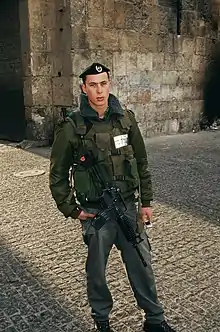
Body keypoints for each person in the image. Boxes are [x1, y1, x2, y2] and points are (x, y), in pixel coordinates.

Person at [49, 63, 176, 332]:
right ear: (83, 88)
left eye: (103, 83)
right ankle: (102, 322)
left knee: (142, 265)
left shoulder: (125, 119)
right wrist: (72, 209)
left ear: (110, 84)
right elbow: (57, 174)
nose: (99, 91)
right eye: (92, 85)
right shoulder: (72, 127)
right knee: (96, 271)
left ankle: (154, 320)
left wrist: (147, 203)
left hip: (129, 207)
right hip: (97, 213)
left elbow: (141, 162)